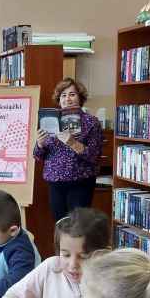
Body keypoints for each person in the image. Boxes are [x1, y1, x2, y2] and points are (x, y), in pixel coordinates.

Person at [33, 78, 103, 222]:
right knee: (60, 225)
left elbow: (94, 156)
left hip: (80, 182)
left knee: (78, 226)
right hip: (55, 182)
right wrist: (39, 144)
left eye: (72, 94)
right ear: (59, 100)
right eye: (63, 95)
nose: (67, 99)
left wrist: (72, 142)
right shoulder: (50, 119)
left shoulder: (91, 122)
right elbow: (38, 156)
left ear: (80, 97)